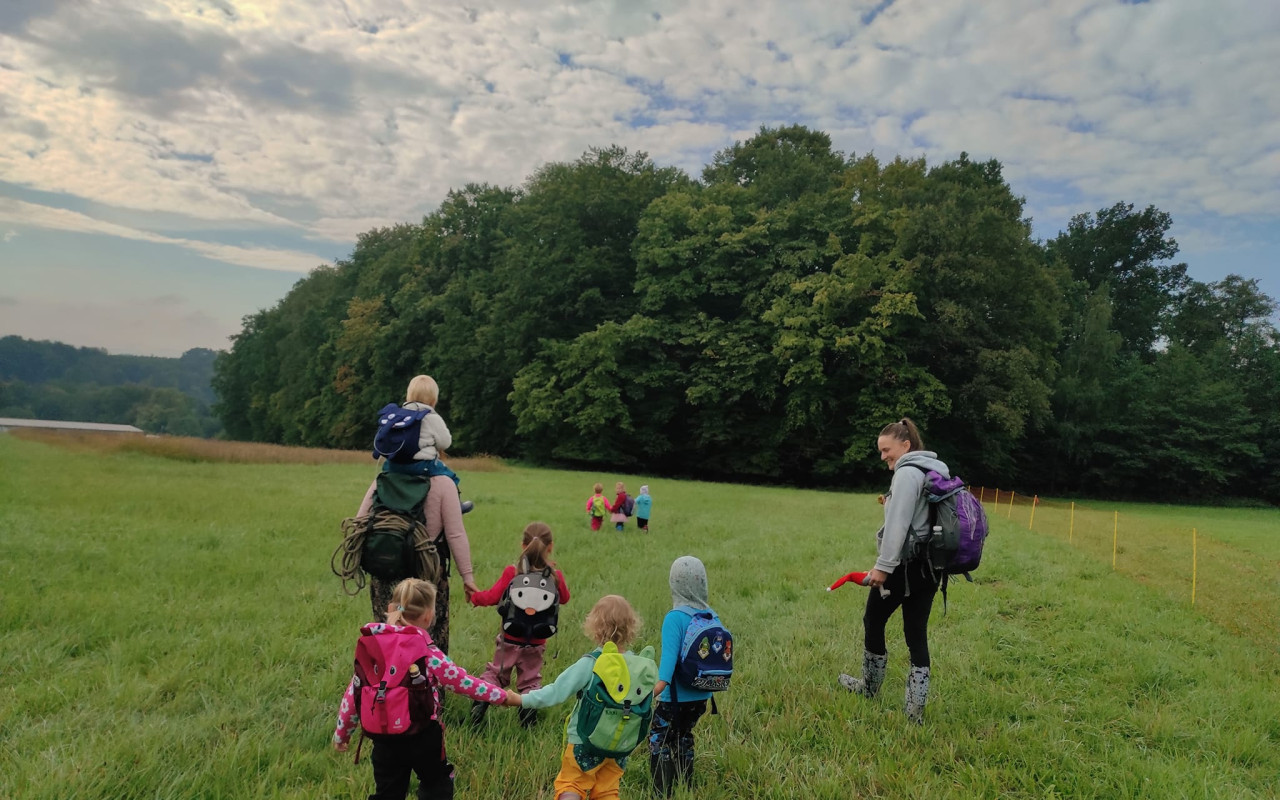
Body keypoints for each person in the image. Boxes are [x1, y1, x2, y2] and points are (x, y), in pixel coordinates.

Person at [333, 578, 522, 799]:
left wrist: (342, 735)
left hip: (383, 738)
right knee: (436, 784)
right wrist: (503, 697)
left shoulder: (373, 647)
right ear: (428, 616)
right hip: (422, 735)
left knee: (387, 791)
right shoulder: (427, 652)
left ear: (390, 609)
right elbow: (463, 683)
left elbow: (353, 694)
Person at [837, 417, 948, 724]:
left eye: (886, 450)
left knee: (873, 619)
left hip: (904, 567)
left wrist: (883, 569)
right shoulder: (933, 469)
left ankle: (868, 689)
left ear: (905, 445)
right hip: (931, 567)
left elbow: (897, 526)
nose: (883, 456)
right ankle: (915, 713)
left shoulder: (907, 474)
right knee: (916, 634)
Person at [517, 595, 649, 800]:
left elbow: (556, 692)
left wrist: (521, 700)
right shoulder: (637, 666)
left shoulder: (592, 662)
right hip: (619, 745)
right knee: (607, 791)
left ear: (595, 627)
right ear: (631, 626)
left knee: (572, 785)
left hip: (584, 741)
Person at [467, 522, 570, 728]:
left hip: (509, 637)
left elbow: (493, 597)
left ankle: (479, 707)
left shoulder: (512, 573)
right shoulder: (554, 576)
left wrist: (474, 597)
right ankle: (527, 720)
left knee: (496, 673)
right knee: (531, 680)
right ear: (550, 547)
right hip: (537, 640)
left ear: (522, 545)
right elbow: (565, 598)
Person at [649, 556, 717, 795]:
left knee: (660, 738)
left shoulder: (674, 618)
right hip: (702, 696)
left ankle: (662, 791)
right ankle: (685, 784)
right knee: (684, 736)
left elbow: (667, 667)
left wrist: (651, 693)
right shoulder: (712, 616)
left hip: (673, 698)